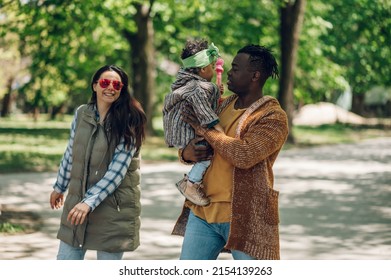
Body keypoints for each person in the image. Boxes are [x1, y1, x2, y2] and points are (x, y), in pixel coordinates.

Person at [172, 44, 289, 260]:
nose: (229, 72)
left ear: (254, 76)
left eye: (235, 68)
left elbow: (244, 155)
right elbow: (194, 144)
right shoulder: (221, 105)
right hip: (203, 213)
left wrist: (205, 130)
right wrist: (187, 153)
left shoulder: (273, 117)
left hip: (247, 217)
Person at [49, 65, 147, 260]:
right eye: (104, 82)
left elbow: (117, 172)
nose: (110, 87)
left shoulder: (130, 120)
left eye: (116, 84)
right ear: (95, 86)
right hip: (78, 204)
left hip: (113, 209)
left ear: (122, 89)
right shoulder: (81, 113)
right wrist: (60, 186)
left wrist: (88, 203)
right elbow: (71, 152)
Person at [163, 39, 224, 206]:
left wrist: (215, 92)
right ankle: (190, 184)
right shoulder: (197, 88)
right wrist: (221, 134)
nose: (213, 70)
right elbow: (206, 114)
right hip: (185, 129)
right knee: (207, 155)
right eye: (212, 67)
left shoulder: (187, 83)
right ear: (203, 69)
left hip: (178, 129)